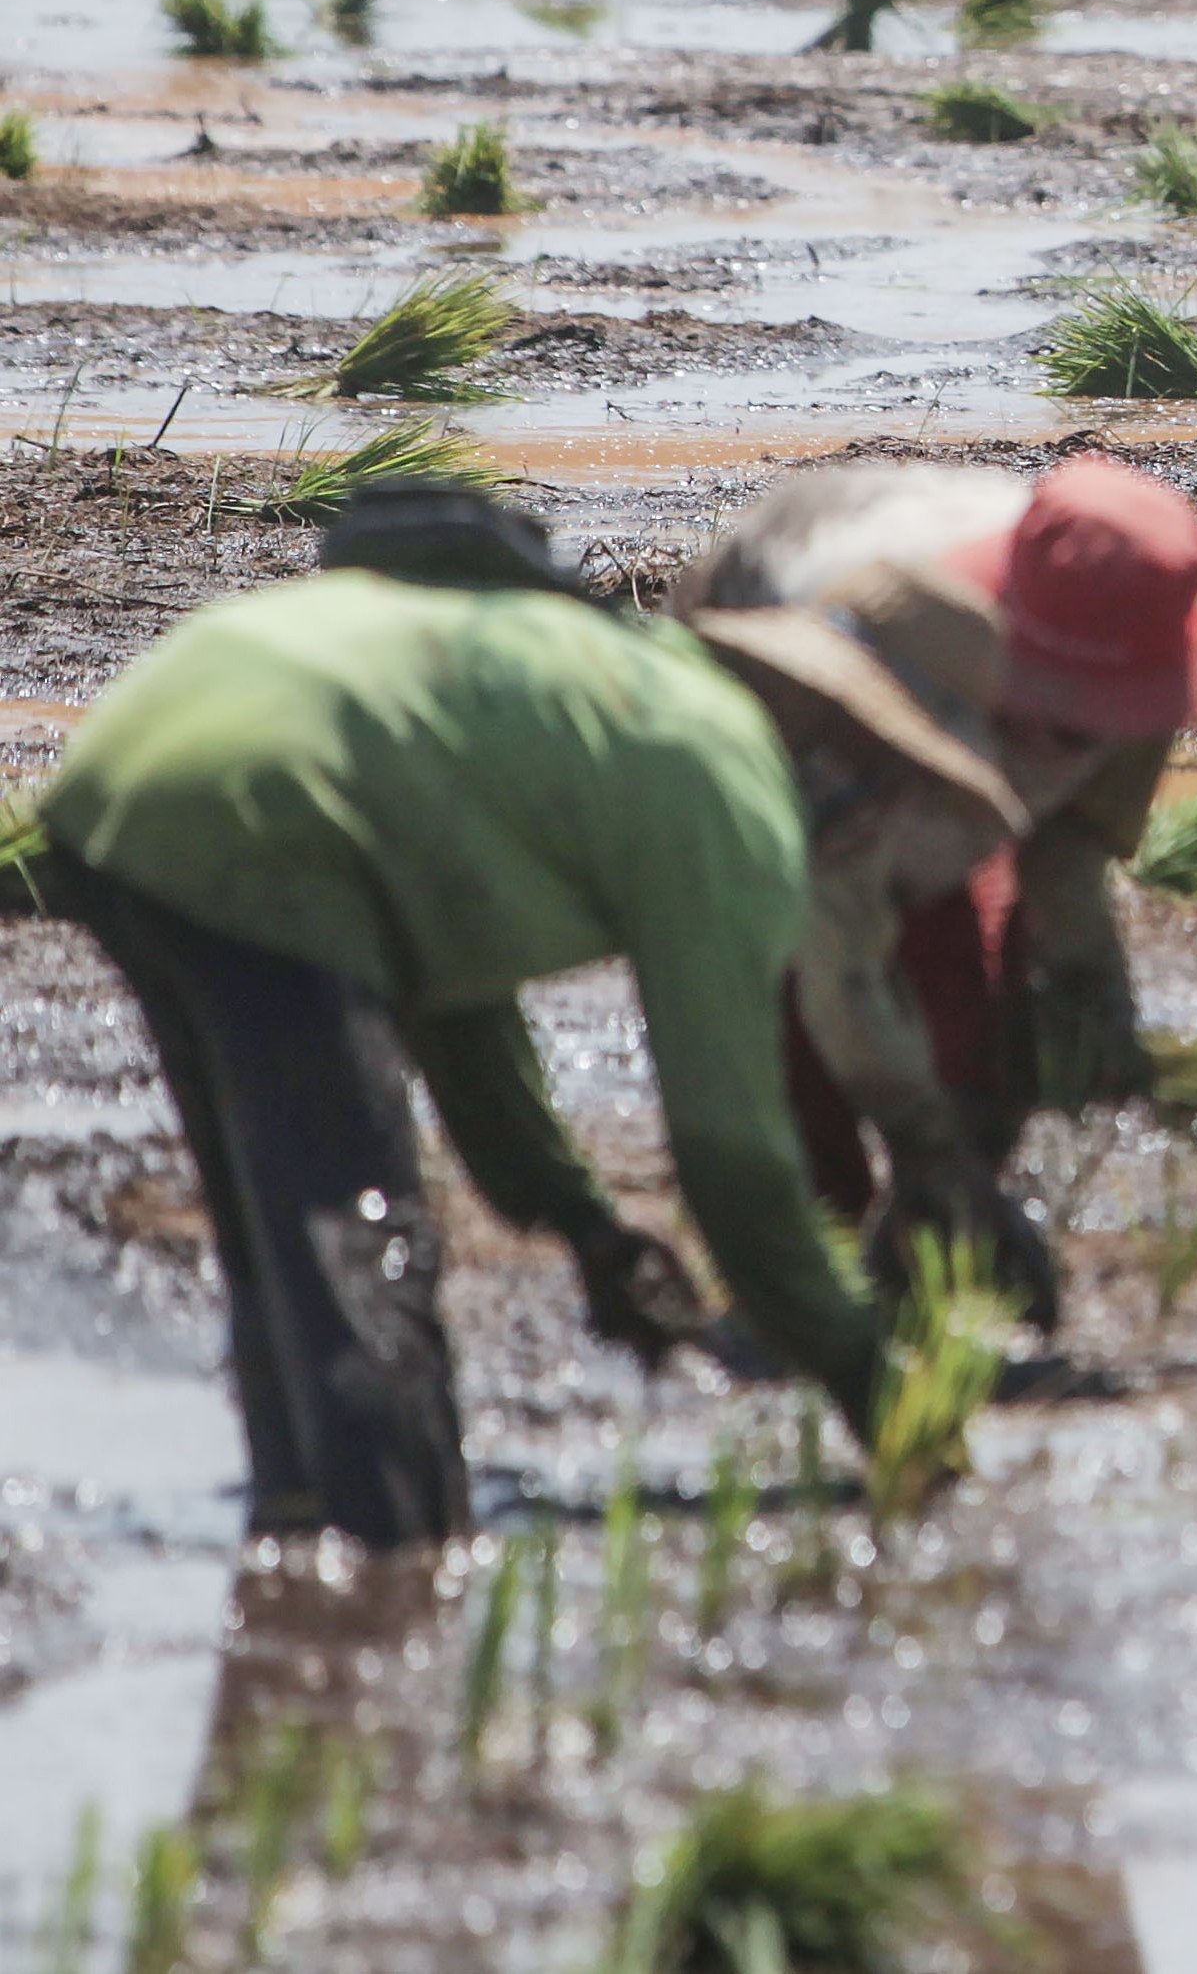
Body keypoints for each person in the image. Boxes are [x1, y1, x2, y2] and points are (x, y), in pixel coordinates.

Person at [26, 526, 1026, 1543]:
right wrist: (882, 1396)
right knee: (360, 1241)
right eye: (906, 775)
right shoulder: (723, 784)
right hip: (272, 807)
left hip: (137, 758)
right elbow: (733, 1155)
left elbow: (458, 1008)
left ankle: (297, 1521)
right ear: (856, 738)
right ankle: (388, 1566)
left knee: (270, 1222)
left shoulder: (620, 694)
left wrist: (578, 1221)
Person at [675, 453, 1197, 1328]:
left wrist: (1093, 994)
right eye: (1053, 717)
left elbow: (1066, 844)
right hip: (771, 706)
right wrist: (924, 1144)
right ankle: (803, 1283)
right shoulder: (869, 651)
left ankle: (922, 1241)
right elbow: (838, 948)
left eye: (1095, 718)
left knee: (980, 1031)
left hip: (934, 710)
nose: (1071, 743)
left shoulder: (1134, 622)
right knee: (794, 1042)